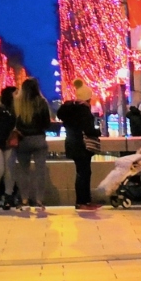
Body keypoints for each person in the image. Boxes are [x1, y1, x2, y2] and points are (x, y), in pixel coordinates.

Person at [57, 80, 100, 212]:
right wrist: (98, 132)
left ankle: (83, 201)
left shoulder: (69, 110)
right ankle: (82, 201)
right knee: (84, 173)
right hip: (82, 145)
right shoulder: (84, 111)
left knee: (81, 172)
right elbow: (88, 129)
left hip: (71, 143)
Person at [14, 77, 53, 214]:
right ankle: (39, 201)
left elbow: (15, 123)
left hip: (23, 140)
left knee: (23, 171)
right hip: (38, 139)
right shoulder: (41, 102)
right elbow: (47, 124)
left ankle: (24, 200)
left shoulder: (18, 103)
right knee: (40, 171)